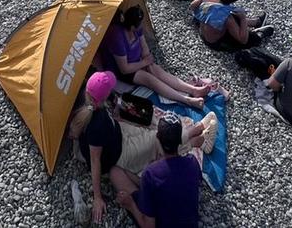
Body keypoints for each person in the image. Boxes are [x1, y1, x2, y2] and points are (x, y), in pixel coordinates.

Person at [69, 72, 210, 227]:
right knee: (156, 138)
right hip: (120, 153)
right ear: (103, 96)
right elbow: (95, 161)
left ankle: (191, 137)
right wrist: (97, 196)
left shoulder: (90, 100)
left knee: (149, 128)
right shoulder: (98, 124)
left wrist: (118, 112)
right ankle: (192, 135)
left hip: (118, 133)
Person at [103, 6, 220, 109]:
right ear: (132, 26)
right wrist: (144, 62)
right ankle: (187, 100)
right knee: (150, 80)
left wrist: (147, 61)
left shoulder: (136, 29)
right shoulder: (117, 38)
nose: (142, 26)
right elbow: (124, 69)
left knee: (158, 72)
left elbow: (144, 47)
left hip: (138, 61)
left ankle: (192, 90)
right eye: (140, 25)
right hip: (124, 71)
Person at [127, 115, 202, 228]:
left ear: (157, 137)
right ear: (179, 140)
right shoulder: (192, 162)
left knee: (117, 174)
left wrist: (131, 205)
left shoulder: (150, 173)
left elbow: (149, 226)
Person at [190, 0, 271, 48]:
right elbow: (243, 40)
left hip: (202, 31)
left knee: (230, 15)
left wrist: (206, 13)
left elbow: (192, 6)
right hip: (213, 42)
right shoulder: (228, 18)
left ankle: (255, 22)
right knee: (250, 40)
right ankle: (259, 34)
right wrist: (242, 18)